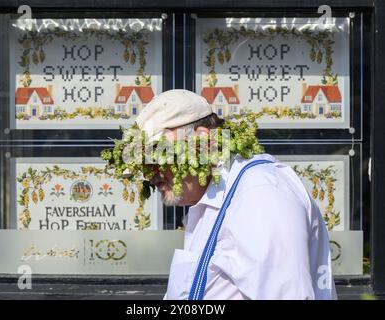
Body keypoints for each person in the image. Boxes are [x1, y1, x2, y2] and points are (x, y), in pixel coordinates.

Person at [135, 89, 337, 300]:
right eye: (144, 161)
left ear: (203, 142)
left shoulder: (260, 196)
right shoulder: (217, 197)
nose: (150, 172)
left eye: (159, 154)